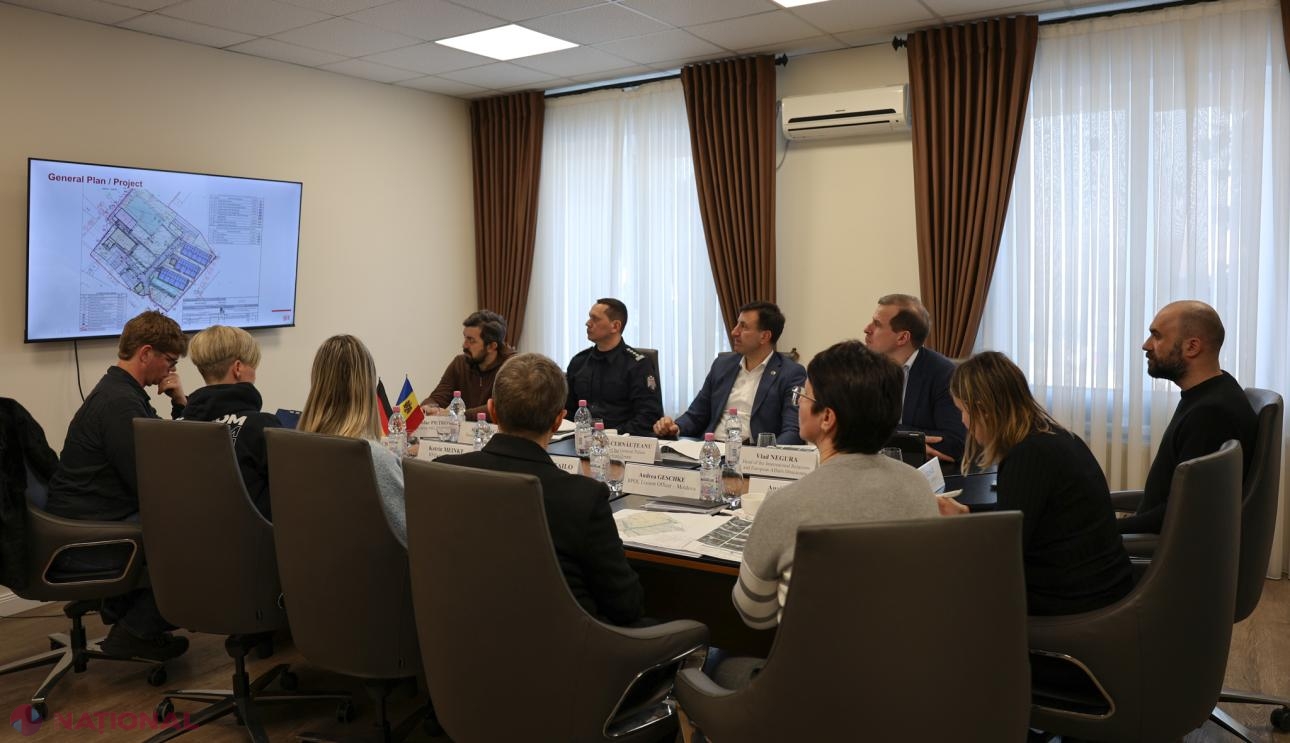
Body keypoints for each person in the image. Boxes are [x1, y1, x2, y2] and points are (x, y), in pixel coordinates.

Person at [733, 341, 939, 631]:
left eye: (803, 395)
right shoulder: (918, 486)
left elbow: (755, 615)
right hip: (906, 655)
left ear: (827, 418)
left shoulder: (786, 504)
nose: (798, 403)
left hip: (812, 659)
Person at [437, 353, 645, 626]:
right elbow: (626, 607)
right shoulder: (582, 497)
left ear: (492, 411)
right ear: (558, 421)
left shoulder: (443, 473)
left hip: (460, 637)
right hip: (565, 647)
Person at [44, 310, 190, 661]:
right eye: (170, 361)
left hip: (86, 520)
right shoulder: (120, 404)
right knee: (199, 534)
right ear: (146, 353)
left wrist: (180, 404)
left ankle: (124, 609)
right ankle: (136, 628)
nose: (171, 371)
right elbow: (149, 481)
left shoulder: (119, 392)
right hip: (89, 533)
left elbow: (161, 448)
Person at [943, 352, 1134, 616]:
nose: (963, 421)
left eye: (962, 410)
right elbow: (1024, 517)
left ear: (982, 409)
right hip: (1101, 582)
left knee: (947, 586)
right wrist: (967, 514)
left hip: (1076, 598)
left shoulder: (1028, 456)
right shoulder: (1054, 436)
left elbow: (1007, 547)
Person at [1117, 300, 1256, 534]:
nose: (1146, 345)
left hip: (1158, 550)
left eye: (1157, 336)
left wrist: (1103, 530)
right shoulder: (1215, 391)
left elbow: (1184, 515)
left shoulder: (1211, 415)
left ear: (1192, 347)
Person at [297, 335, 406, 544]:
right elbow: (411, 538)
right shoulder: (373, 458)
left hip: (305, 561)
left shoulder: (293, 450)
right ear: (367, 386)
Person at [652, 301, 806, 445]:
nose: (734, 332)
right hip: (712, 450)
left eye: (743, 327)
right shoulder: (722, 365)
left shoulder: (791, 374)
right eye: (737, 324)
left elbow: (793, 431)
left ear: (764, 336)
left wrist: (766, 457)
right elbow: (696, 415)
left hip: (754, 453)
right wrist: (675, 427)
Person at [181, 325, 280, 519]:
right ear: (238, 368)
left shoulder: (177, 426)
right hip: (252, 536)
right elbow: (292, 491)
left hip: (190, 533)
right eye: (253, 368)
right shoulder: (261, 427)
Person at [863, 294, 967, 465]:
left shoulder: (944, 374)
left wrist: (885, 434)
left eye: (877, 324)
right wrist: (910, 440)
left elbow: (953, 443)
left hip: (928, 474)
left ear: (902, 338)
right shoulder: (866, 368)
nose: (867, 329)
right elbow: (851, 427)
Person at [564, 298, 663, 436]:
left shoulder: (638, 365)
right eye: (589, 317)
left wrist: (610, 435)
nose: (588, 323)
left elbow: (648, 416)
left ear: (615, 326)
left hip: (623, 441)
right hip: (581, 440)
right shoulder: (579, 362)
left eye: (595, 319)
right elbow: (568, 410)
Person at [424, 310, 515, 421]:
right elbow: (439, 396)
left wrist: (459, 415)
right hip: (466, 430)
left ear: (491, 346)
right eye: (465, 338)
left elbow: (501, 408)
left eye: (471, 340)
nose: (464, 345)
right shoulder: (460, 363)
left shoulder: (512, 366)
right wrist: (428, 408)